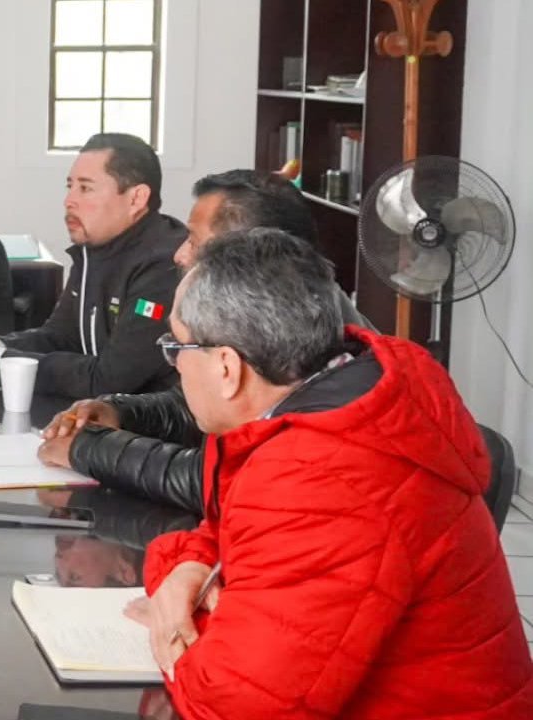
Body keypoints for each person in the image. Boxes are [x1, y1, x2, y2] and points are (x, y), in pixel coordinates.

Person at [124, 229, 533, 717]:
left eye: (178, 347)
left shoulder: (323, 475)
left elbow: (238, 705)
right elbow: (230, 536)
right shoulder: (323, 405)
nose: (175, 365)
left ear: (227, 368)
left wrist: (174, 626)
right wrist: (187, 569)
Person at [39, 170, 371, 513]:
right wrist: (119, 412)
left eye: (195, 242)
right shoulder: (291, 311)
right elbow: (209, 402)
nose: (180, 255)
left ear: (251, 254)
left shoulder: (319, 352)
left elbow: (231, 480)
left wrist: (91, 449)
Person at [0, 133, 184, 397]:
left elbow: (112, 379)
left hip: (152, 419)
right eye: (70, 186)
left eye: (85, 188)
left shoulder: (167, 264)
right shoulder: (94, 250)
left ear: (136, 198)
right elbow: (61, 337)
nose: (69, 201)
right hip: (102, 414)